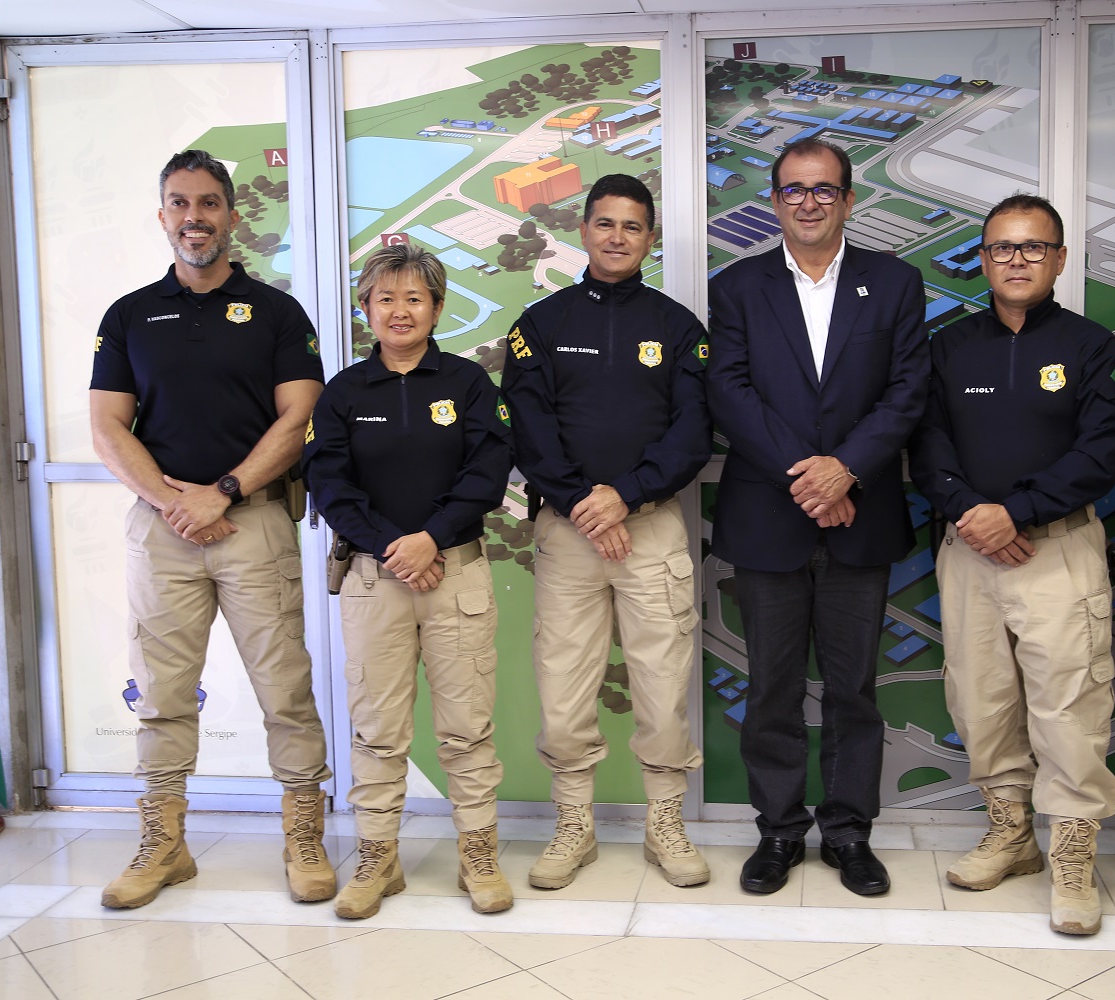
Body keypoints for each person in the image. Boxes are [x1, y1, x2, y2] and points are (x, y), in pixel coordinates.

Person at [89, 149, 333, 909]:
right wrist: (173, 503)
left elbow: (301, 417)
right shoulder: (129, 315)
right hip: (162, 532)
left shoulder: (278, 313)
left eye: (207, 203)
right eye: (179, 203)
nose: (193, 217)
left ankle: (304, 837)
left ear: (231, 214)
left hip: (252, 525)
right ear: (163, 215)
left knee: (285, 689)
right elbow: (107, 426)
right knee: (162, 694)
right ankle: (164, 843)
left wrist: (223, 492)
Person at [707, 137, 928, 897]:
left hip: (860, 514)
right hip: (770, 515)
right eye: (794, 190)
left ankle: (848, 833)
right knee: (771, 686)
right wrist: (811, 477)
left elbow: (907, 389)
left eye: (824, 189)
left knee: (852, 687)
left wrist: (846, 470)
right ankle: (777, 831)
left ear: (848, 200)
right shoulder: (738, 287)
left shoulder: (894, 282)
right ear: (774, 201)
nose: (809, 202)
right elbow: (730, 392)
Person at [909, 194, 1115, 935]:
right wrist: (974, 512)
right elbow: (927, 444)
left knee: (1069, 708)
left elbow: (1100, 453)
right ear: (982, 259)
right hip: (969, 549)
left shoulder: (1093, 348)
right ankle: (1012, 834)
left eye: (1033, 247)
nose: (1016, 259)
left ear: (1059, 259)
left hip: (1058, 551)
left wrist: (1020, 511)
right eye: (1002, 247)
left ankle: (1072, 855)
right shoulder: (948, 347)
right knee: (981, 702)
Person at [501, 174, 713, 890]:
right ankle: (574, 826)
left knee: (663, 687)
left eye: (632, 226)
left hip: (651, 529)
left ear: (650, 238)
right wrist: (584, 504)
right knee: (563, 692)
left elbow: (693, 433)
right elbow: (528, 426)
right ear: (583, 230)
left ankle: (666, 824)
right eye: (605, 223)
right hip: (568, 534)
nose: (617, 237)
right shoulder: (541, 324)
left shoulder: (679, 329)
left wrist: (625, 496)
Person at [304, 244, 514, 918]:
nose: (400, 310)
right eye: (386, 298)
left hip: (455, 573)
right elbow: (328, 480)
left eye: (415, 298)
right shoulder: (343, 392)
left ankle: (478, 855)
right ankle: (377, 857)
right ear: (366, 308)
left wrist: (431, 537)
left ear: (438, 308)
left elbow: (487, 471)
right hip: (374, 579)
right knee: (376, 729)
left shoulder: (468, 383)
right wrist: (392, 547)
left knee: (467, 727)